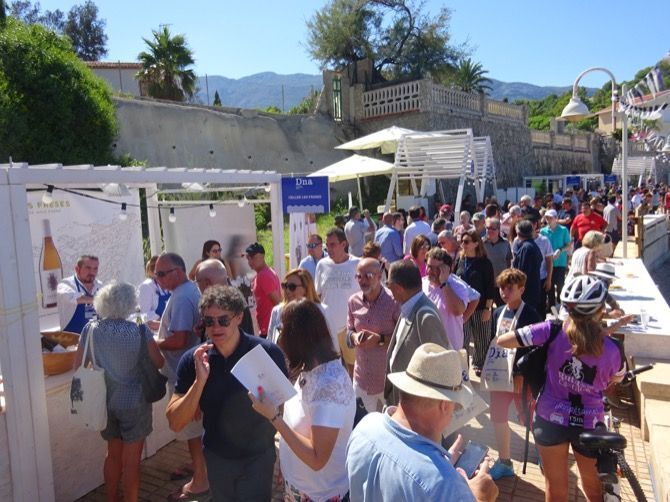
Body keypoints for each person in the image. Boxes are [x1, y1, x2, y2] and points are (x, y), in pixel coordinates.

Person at [497, 275, 626, 501]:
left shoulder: (553, 329)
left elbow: (504, 340)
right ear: (600, 311)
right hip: (589, 424)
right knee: (593, 489)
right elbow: (616, 379)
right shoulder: (613, 348)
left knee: (555, 489)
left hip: (550, 418)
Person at [166, 285, 288, 501]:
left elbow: (284, 408)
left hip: (258, 458)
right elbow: (175, 422)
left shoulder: (267, 353)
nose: (216, 327)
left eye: (223, 320)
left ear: (239, 317)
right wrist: (199, 382)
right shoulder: (194, 360)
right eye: (209, 321)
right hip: (216, 458)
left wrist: (286, 459)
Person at [346, 343, 499, 502]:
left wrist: (440, 464)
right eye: (455, 406)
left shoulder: (365, 426)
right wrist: (481, 498)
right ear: (444, 405)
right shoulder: (444, 485)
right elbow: (425, 480)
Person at [249, 300, 355, 501]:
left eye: (281, 329)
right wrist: (286, 464)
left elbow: (317, 459)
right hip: (302, 488)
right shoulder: (309, 370)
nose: (278, 337)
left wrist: (273, 417)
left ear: (297, 336)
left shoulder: (329, 386)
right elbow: (299, 426)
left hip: (320, 494)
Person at [74, 282, 164, 502]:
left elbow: (79, 365)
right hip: (135, 402)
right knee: (131, 462)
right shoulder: (140, 331)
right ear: (130, 303)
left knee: (112, 455)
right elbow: (159, 362)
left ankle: (112, 498)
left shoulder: (90, 329)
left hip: (105, 401)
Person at [153, 252, 207, 500]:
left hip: (185, 376)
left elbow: (180, 340)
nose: (158, 278)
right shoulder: (186, 291)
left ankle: (200, 481)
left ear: (179, 271)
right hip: (190, 373)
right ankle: (199, 469)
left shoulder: (183, 297)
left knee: (192, 431)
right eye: (156, 274)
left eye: (162, 273)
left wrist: (153, 343)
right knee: (196, 430)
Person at [486, 269, 540, 480]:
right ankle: (505, 461)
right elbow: (494, 342)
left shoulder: (531, 315)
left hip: (521, 378)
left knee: (529, 417)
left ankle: (543, 452)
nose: (504, 292)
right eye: (502, 288)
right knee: (498, 416)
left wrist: (521, 373)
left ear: (522, 289)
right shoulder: (498, 313)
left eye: (510, 288)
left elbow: (536, 349)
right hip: (500, 375)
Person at [384, 260, 451, 406]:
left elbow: (439, 366)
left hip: (416, 404)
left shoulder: (426, 316)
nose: (388, 289)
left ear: (398, 288)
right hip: (403, 399)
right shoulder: (408, 305)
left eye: (388, 284)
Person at [346, 258, 400, 412]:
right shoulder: (353, 301)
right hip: (361, 380)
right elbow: (349, 333)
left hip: (388, 381)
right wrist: (354, 337)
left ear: (379, 276)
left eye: (368, 276)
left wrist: (380, 339)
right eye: (359, 276)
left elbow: (404, 339)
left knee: (392, 422)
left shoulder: (394, 302)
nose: (363, 281)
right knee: (362, 423)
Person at [314, 227, 360, 369]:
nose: (329, 249)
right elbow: (317, 295)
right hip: (327, 328)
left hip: (350, 328)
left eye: (333, 245)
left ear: (343, 244)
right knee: (330, 369)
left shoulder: (357, 264)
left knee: (353, 367)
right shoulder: (322, 265)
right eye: (327, 245)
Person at [454, 229, 495, 373]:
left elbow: (490, 288)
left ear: (476, 244)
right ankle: (462, 367)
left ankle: (480, 364)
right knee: (462, 339)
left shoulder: (485, 263)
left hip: (481, 307)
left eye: (466, 242)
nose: (463, 245)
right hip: (462, 308)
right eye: (461, 242)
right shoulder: (460, 260)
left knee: (481, 338)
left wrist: (488, 309)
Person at [423, 248, 470, 350]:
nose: (430, 271)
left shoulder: (458, 286)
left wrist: (444, 283)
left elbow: (457, 310)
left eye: (436, 268)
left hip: (449, 349)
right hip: (427, 347)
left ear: (447, 269)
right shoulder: (422, 284)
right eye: (429, 266)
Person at [267, 268, 328, 346]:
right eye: (285, 286)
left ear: (306, 288)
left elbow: (331, 345)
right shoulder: (277, 311)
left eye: (292, 287)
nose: (287, 291)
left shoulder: (322, 310)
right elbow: (270, 341)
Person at [194, 258, 254, 336]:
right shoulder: (216, 300)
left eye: (197, 282)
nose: (197, 287)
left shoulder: (234, 304)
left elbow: (238, 340)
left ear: (207, 283)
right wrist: (204, 328)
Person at [57, 254, 103, 334]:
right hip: (72, 337)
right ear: (77, 269)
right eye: (88, 268)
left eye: (95, 268)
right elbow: (72, 297)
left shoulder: (99, 285)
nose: (92, 272)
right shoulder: (66, 284)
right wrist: (100, 300)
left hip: (94, 336)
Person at [245, 242, 281, 338]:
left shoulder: (264, 275)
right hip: (267, 327)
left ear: (262, 256)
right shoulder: (264, 273)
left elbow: (278, 303)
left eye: (253, 257)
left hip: (269, 328)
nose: (250, 261)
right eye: (248, 258)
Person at [540, 209, 571, 310]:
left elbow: (568, 244)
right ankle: (552, 306)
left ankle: (561, 304)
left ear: (556, 218)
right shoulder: (543, 231)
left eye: (550, 218)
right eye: (547, 218)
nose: (548, 220)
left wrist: (560, 250)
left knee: (560, 284)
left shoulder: (563, 230)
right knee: (550, 285)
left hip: (560, 262)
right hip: (548, 263)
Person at [511, 220, 543, 313]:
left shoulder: (526, 248)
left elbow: (522, 273)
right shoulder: (532, 245)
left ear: (519, 233)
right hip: (532, 289)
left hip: (527, 292)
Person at [482, 217, 512, 305]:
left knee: (502, 307)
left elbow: (508, 261)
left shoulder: (505, 243)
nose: (489, 231)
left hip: (501, 283)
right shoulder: (481, 243)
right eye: (488, 228)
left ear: (498, 230)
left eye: (493, 228)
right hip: (486, 283)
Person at [137, 255, 171, 322]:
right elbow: (144, 316)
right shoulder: (146, 286)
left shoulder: (169, 284)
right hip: (154, 328)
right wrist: (158, 314)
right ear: (155, 271)